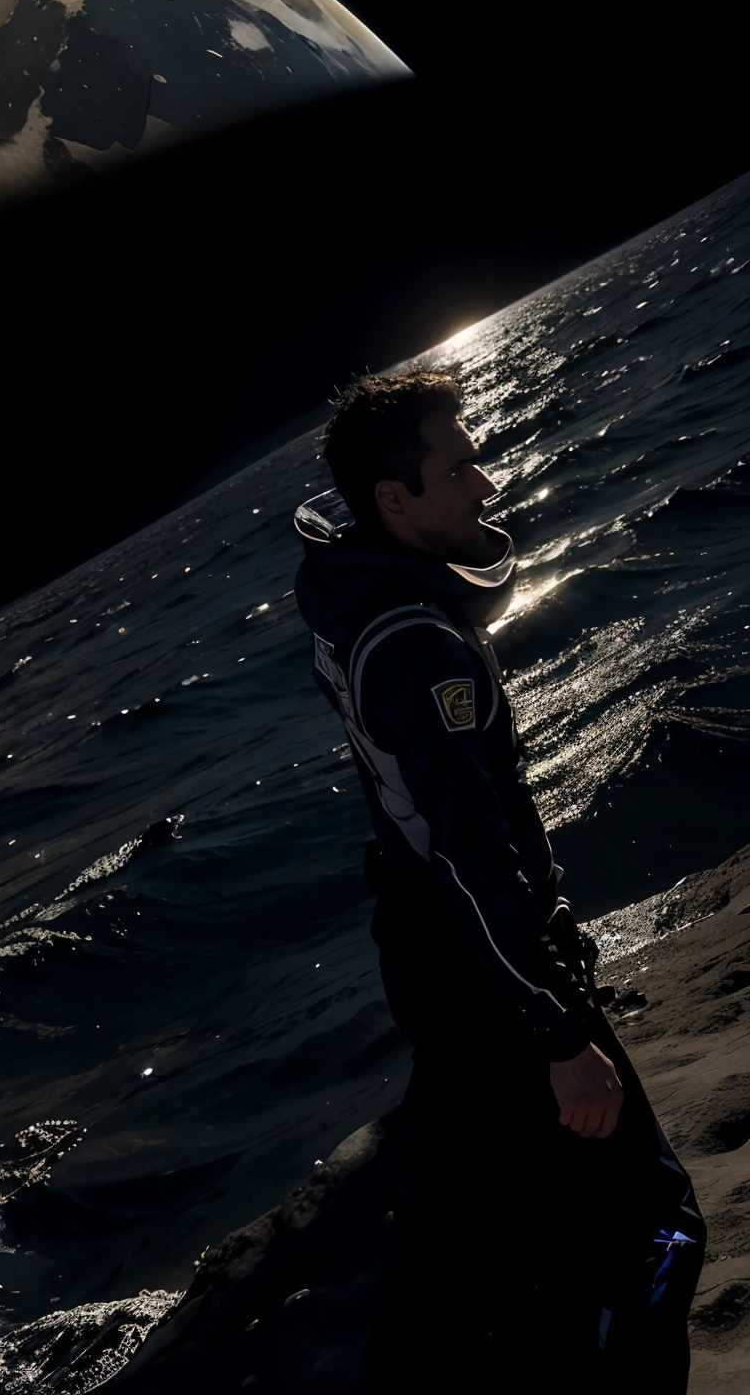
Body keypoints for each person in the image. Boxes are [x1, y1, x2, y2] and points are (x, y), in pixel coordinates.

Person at [291, 368, 706, 1392]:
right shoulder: (415, 647)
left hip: (437, 962)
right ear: (394, 500)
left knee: (516, 1253)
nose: (484, 481)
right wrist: (559, 1034)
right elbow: (468, 864)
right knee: (658, 1228)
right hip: (486, 977)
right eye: (460, 462)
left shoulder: (352, 596)